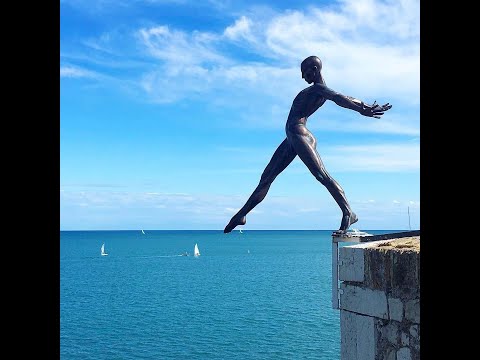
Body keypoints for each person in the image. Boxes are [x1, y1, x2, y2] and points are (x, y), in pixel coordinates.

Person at [224, 55, 392, 234]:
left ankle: (348, 212)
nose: (303, 77)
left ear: (314, 69)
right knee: (266, 177)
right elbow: (345, 97)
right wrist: (363, 105)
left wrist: (361, 109)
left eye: (305, 73)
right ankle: (241, 215)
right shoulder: (320, 90)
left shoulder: (318, 89)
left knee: (321, 175)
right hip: (291, 137)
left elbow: (339, 97)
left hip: (299, 134)